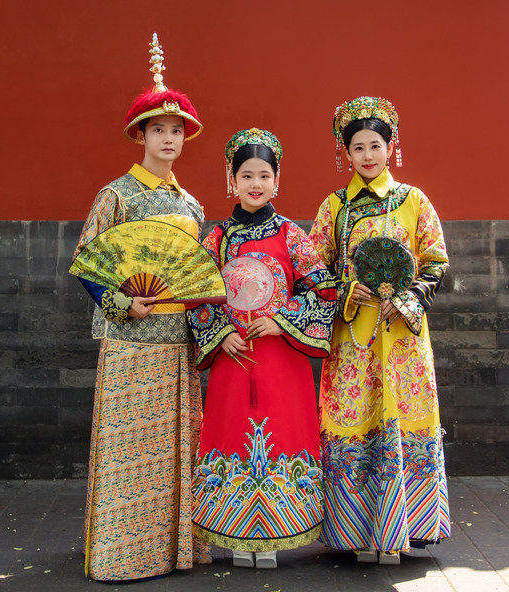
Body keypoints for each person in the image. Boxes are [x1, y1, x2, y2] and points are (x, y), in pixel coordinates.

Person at [72, 34, 212, 581]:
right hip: (130, 337)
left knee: (176, 449)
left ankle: (173, 550)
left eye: (177, 131)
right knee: (129, 450)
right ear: (141, 135)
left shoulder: (191, 204)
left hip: (176, 336)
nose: (169, 139)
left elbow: (197, 275)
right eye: (159, 130)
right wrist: (118, 299)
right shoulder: (116, 195)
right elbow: (88, 262)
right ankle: (123, 553)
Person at [308, 96, 450, 565]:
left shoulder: (414, 201)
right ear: (345, 154)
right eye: (357, 148)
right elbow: (316, 271)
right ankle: (354, 533)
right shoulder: (334, 207)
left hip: (403, 337)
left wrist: (405, 298)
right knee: (355, 422)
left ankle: (402, 531)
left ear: (391, 147)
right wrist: (350, 292)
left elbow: (435, 261)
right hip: (353, 338)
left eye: (375, 145)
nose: (367, 156)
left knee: (398, 419)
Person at [189, 128, 336, 569]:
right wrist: (220, 331)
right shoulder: (216, 238)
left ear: (277, 181)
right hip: (234, 359)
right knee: (231, 434)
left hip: (281, 357)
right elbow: (195, 294)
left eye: (264, 175)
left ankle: (274, 534)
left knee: (282, 435)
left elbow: (325, 290)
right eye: (246, 174)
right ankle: (235, 535)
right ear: (231, 180)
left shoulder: (293, 235)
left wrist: (281, 319)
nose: (256, 183)